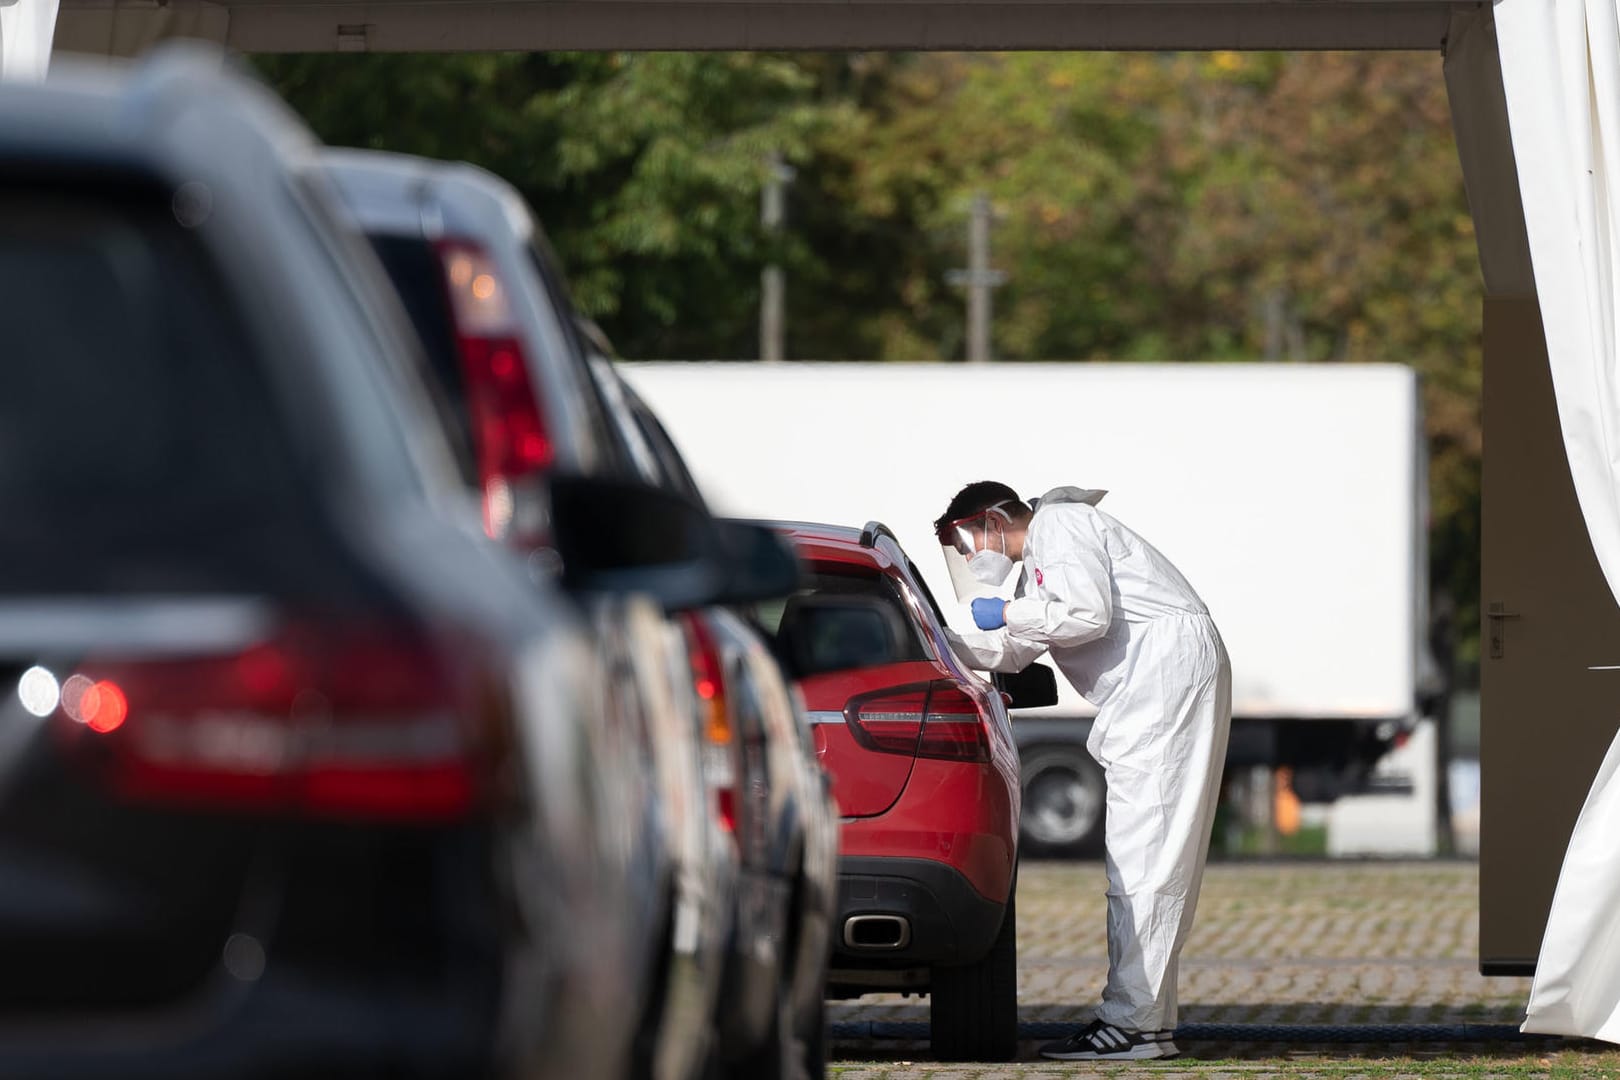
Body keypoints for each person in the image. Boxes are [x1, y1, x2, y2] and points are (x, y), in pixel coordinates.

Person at [934, 481, 1232, 1062]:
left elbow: (1085, 616)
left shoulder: (1060, 525)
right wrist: (943, 644)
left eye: (967, 539)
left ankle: (1134, 1025)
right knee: (1148, 855)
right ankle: (1146, 1022)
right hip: (1158, 679)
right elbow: (1016, 651)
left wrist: (1005, 611)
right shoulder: (1043, 559)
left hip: (1164, 677)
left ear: (996, 518)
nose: (970, 556)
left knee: (1143, 855)